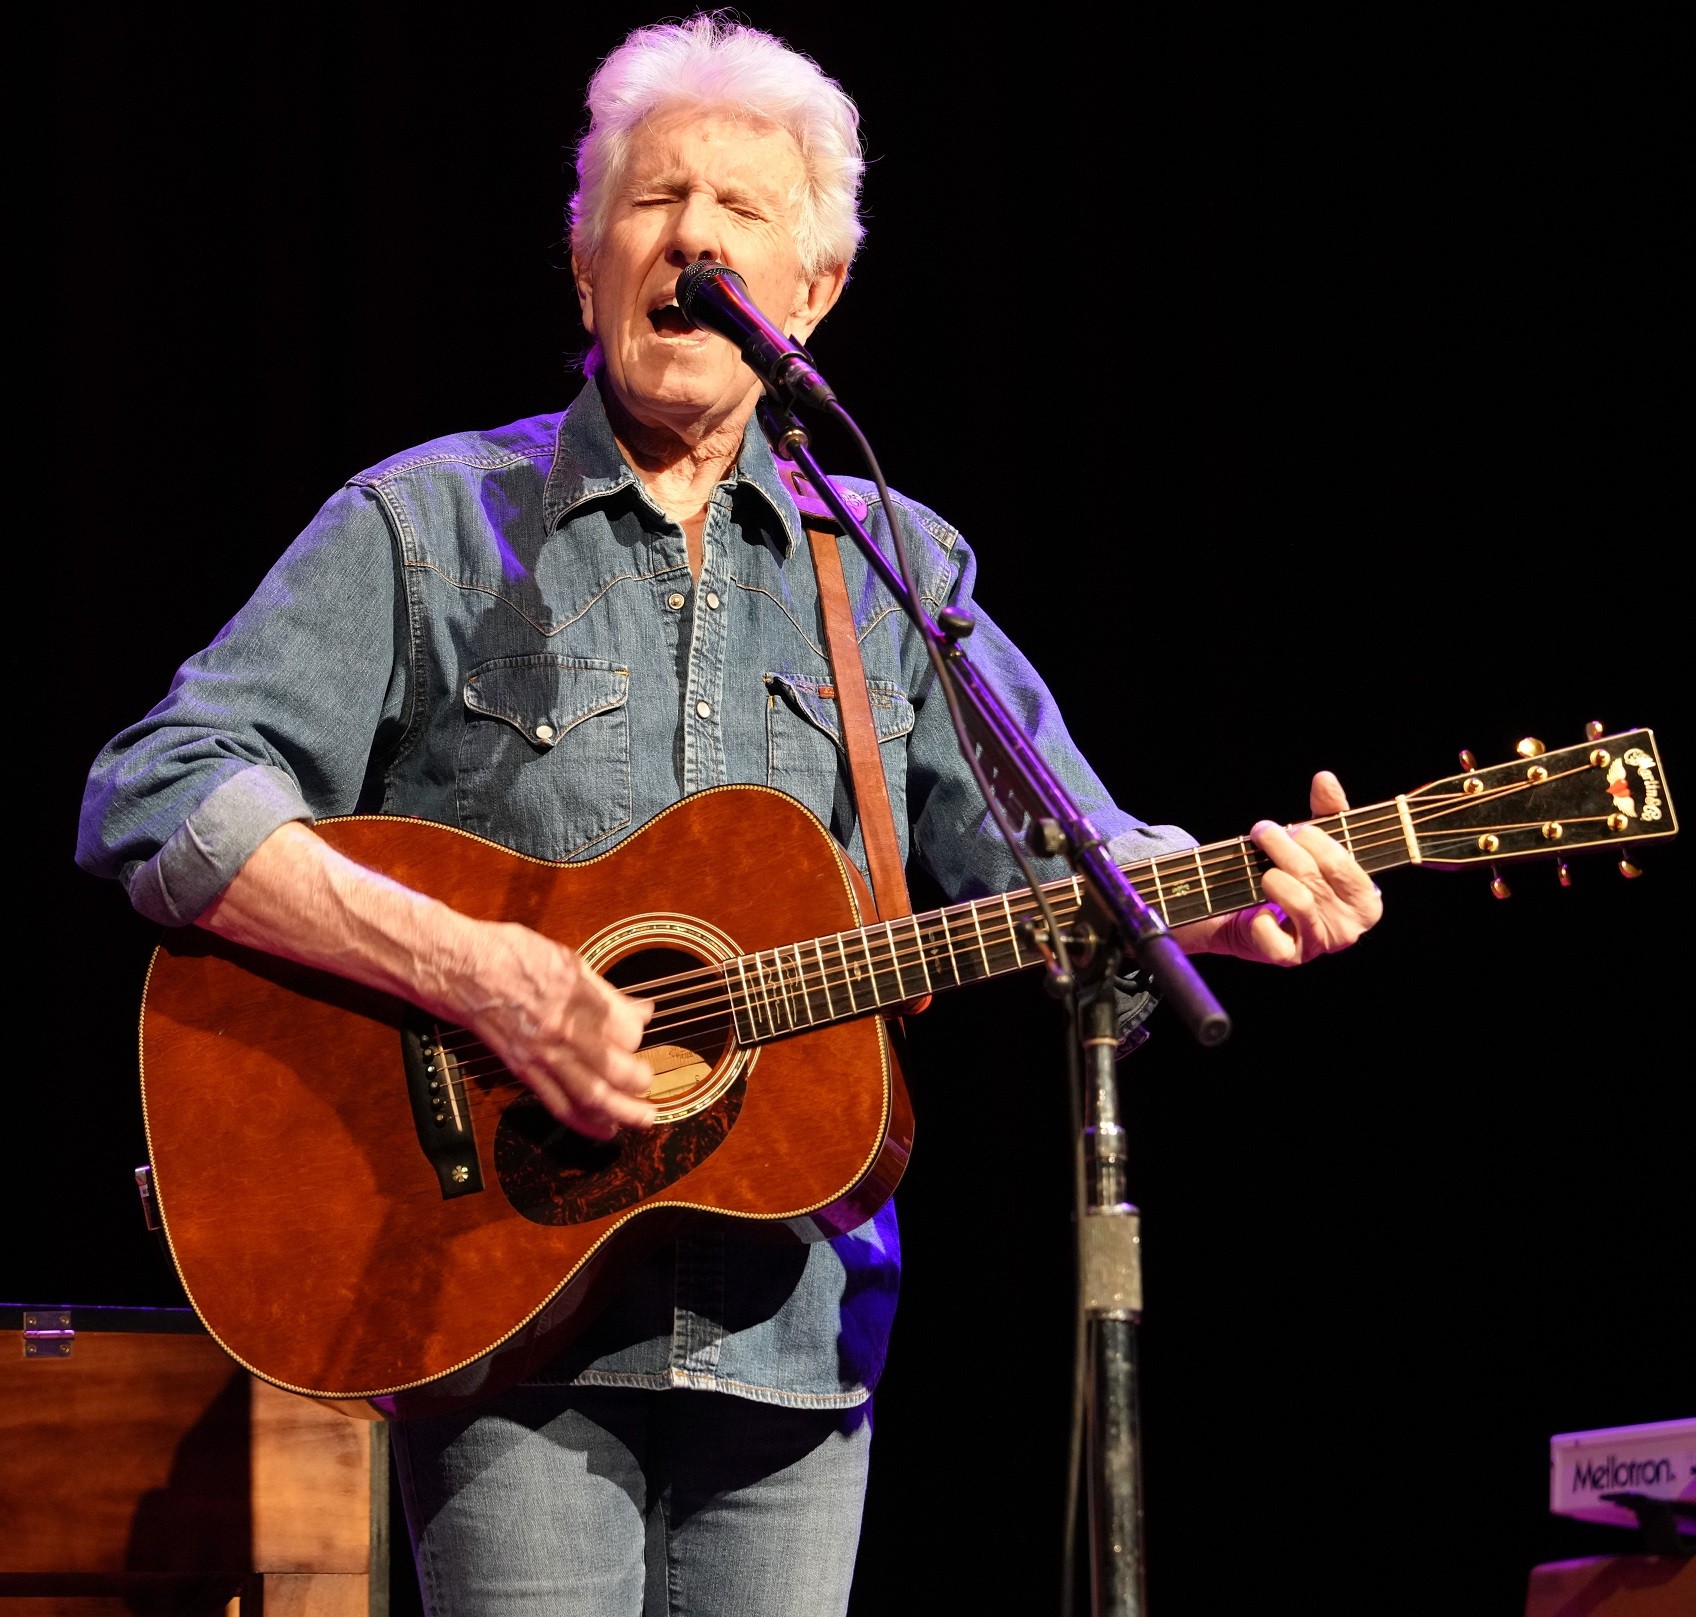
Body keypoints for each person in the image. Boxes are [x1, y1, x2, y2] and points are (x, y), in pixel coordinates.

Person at [78, 15, 1381, 1614]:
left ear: (811, 294)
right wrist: (480, 973)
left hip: (794, 1322)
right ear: (582, 262)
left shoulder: (897, 566)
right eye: (651, 199)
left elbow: (1063, 854)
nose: (692, 234)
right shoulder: (424, 527)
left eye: (740, 212)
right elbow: (161, 788)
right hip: (500, 1316)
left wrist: (1216, 898)